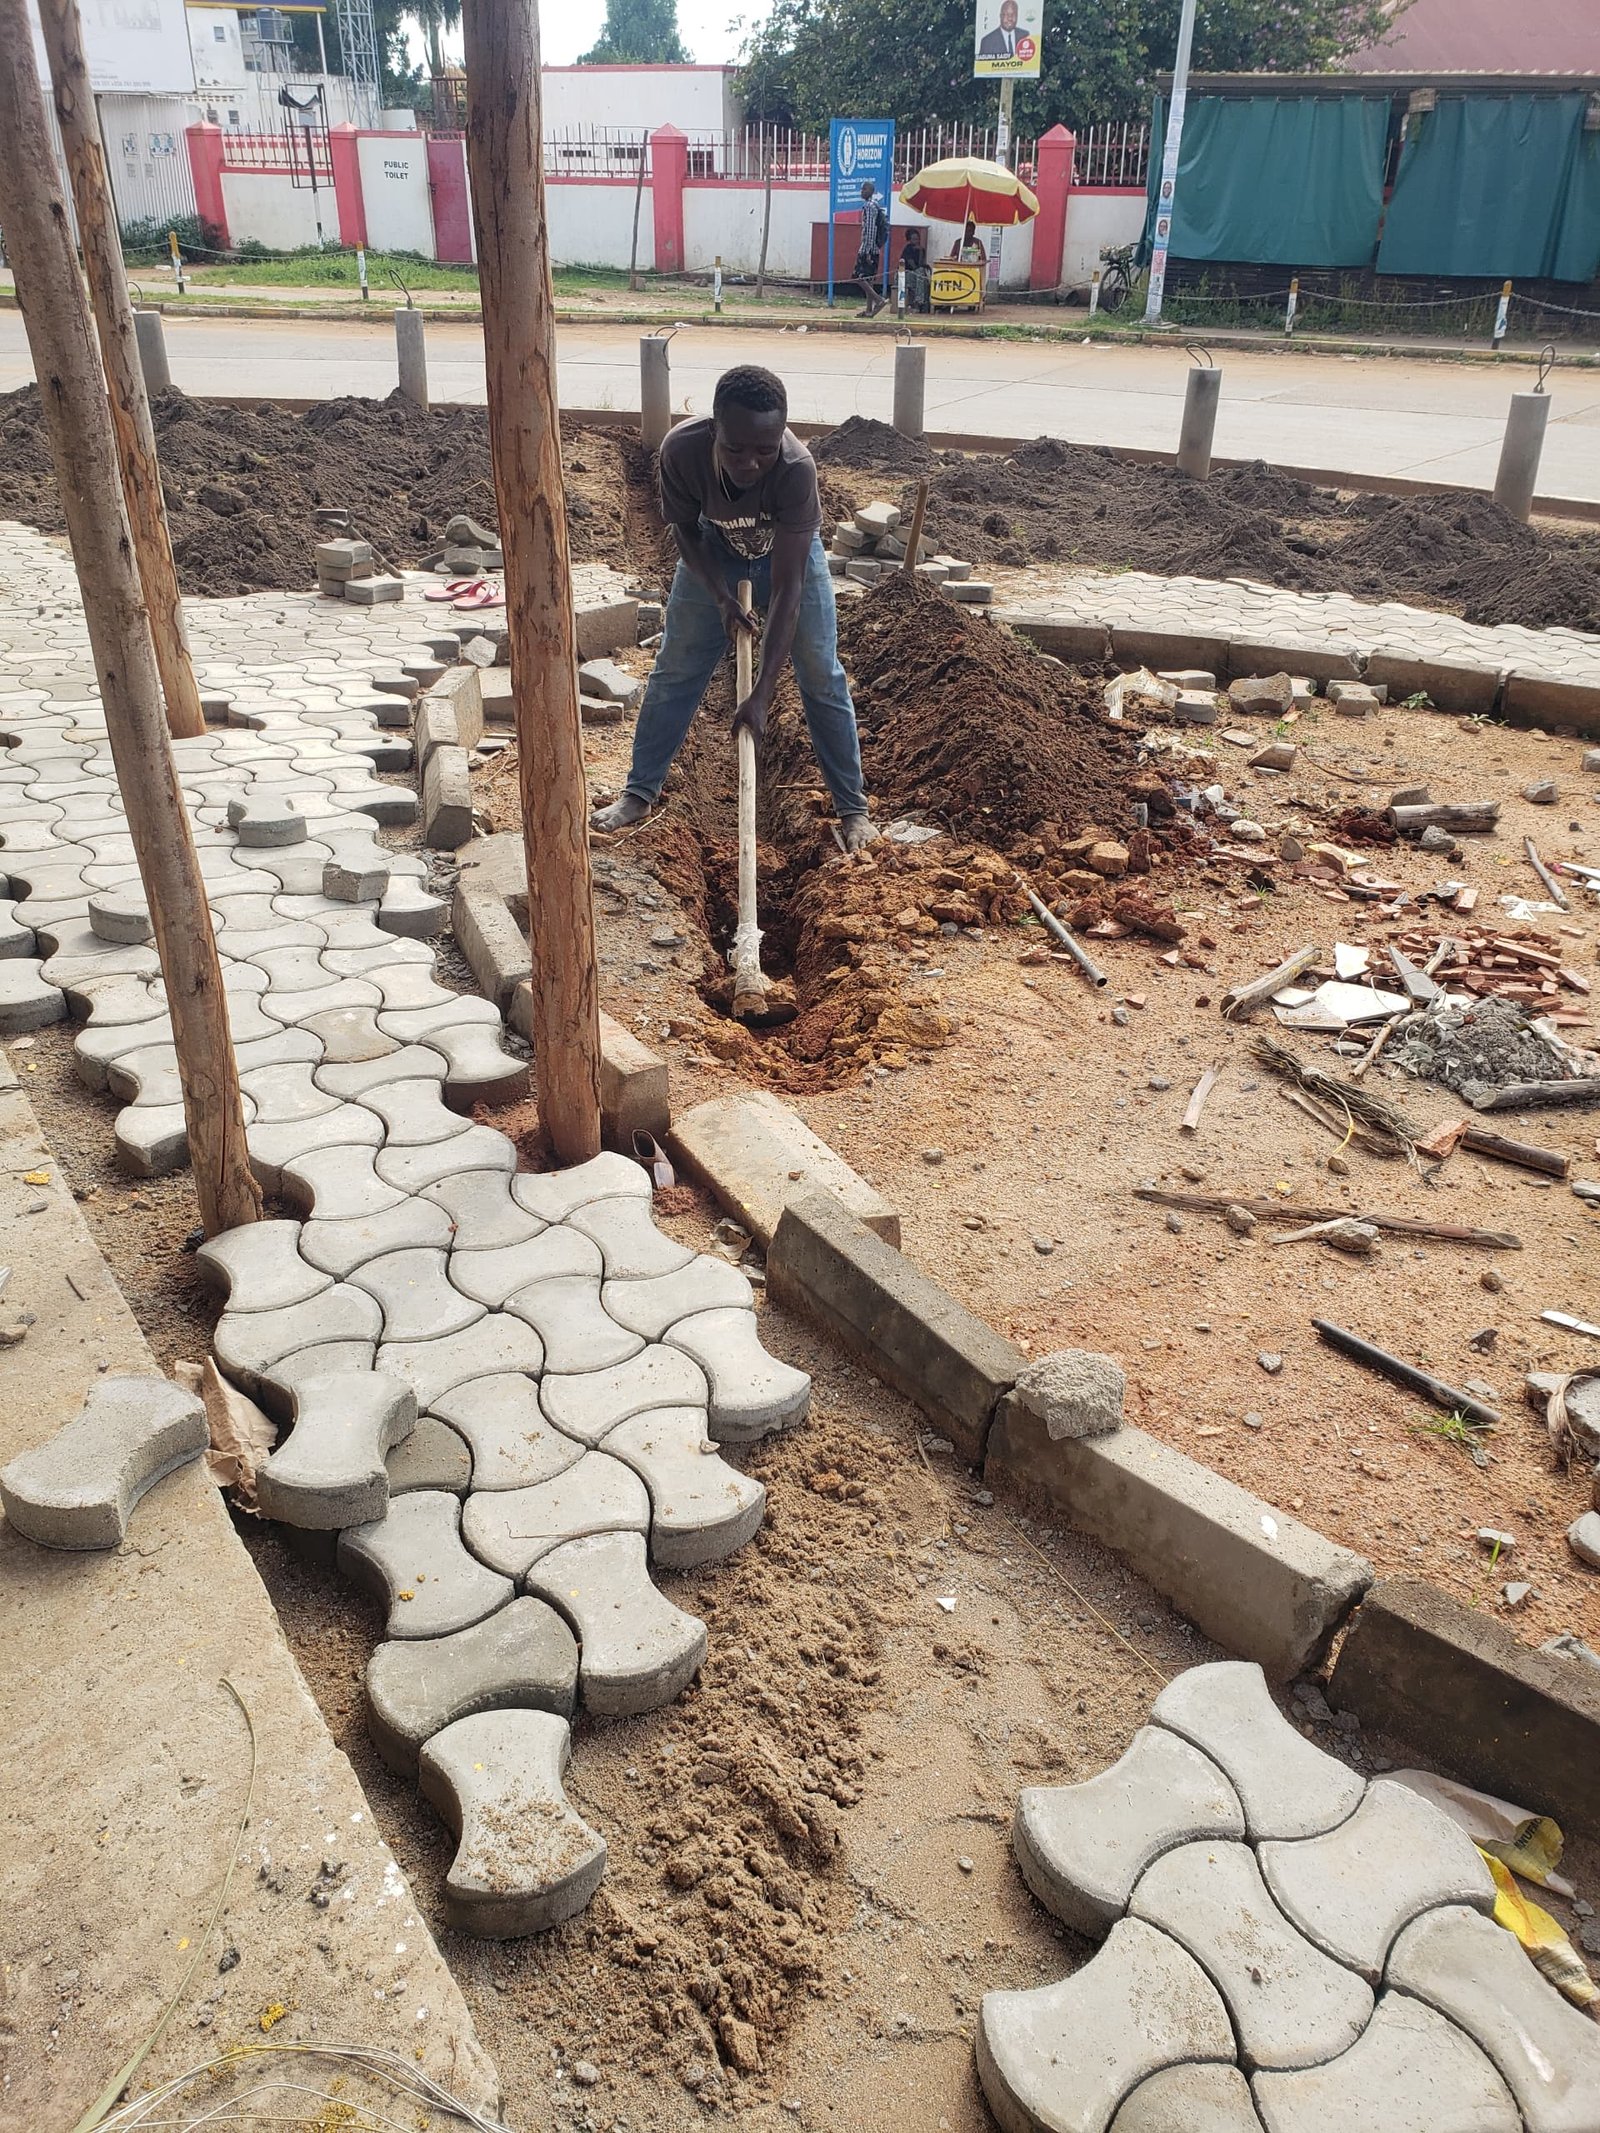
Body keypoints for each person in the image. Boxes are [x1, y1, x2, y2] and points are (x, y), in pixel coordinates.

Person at [591, 366, 878, 853]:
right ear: (714, 429)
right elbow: (683, 531)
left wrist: (762, 694)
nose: (750, 463)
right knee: (676, 668)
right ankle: (638, 793)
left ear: (781, 435)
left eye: (765, 450)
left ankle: (853, 809)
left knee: (820, 672)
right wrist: (722, 598)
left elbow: (789, 590)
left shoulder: (796, 469)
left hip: (787, 556)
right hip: (713, 550)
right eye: (735, 449)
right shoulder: (682, 451)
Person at [853, 179, 889, 318]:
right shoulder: (876, 205)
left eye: (864, 189)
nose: (862, 192)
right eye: (861, 189)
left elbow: (870, 229)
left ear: (871, 191)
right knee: (868, 279)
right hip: (875, 248)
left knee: (858, 277)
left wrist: (867, 250)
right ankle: (869, 310)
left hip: (868, 248)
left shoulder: (869, 206)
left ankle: (878, 300)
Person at [900, 226, 930, 313]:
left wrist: (920, 252)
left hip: (917, 274)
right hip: (906, 274)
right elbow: (913, 266)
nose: (916, 241)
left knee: (923, 278)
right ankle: (918, 302)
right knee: (920, 274)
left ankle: (922, 304)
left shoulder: (921, 249)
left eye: (917, 239)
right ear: (910, 240)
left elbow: (920, 264)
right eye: (914, 239)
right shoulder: (908, 249)